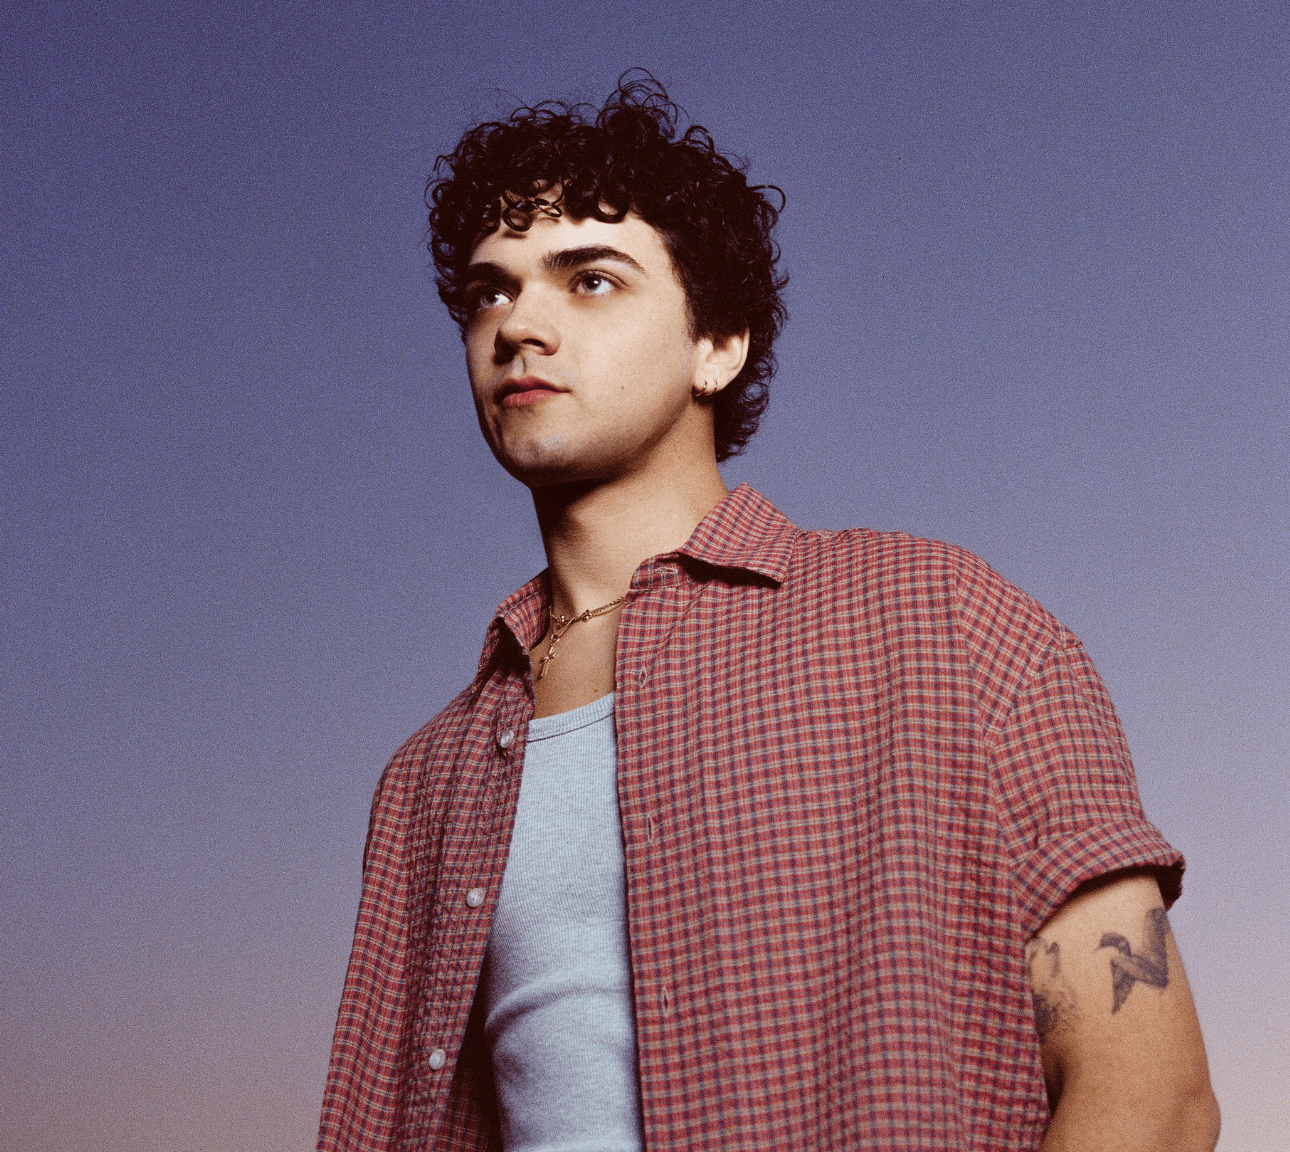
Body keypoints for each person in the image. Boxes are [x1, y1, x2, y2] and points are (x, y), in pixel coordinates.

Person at [319, 74, 1220, 1152]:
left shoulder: (943, 626)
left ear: (718, 344)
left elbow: (1150, 1100)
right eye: (488, 294)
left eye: (590, 281)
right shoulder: (428, 779)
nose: (520, 327)